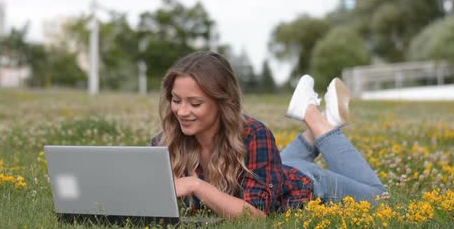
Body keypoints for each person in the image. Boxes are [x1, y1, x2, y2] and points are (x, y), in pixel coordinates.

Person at [151, 51, 385, 218]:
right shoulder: (166, 142)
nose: (181, 111)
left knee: (379, 197)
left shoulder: (254, 135)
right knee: (275, 166)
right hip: (273, 171)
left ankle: (312, 116)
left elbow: (254, 217)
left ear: (222, 102)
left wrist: (196, 185)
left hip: (306, 182)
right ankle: (325, 123)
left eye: (195, 103)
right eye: (176, 100)